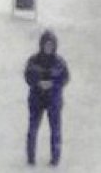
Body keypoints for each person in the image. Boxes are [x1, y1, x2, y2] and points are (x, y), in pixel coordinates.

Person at [24, 29, 70, 166]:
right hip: (36, 99)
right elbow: (28, 76)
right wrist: (38, 83)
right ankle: (30, 158)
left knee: (55, 130)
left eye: (51, 45)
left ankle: (55, 159)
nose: (48, 48)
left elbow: (65, 78)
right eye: (46, 45)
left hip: (53, 100)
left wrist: (53, 84)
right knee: (33, 129)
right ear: (42, 45)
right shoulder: (33, 61)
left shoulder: (59, 62)